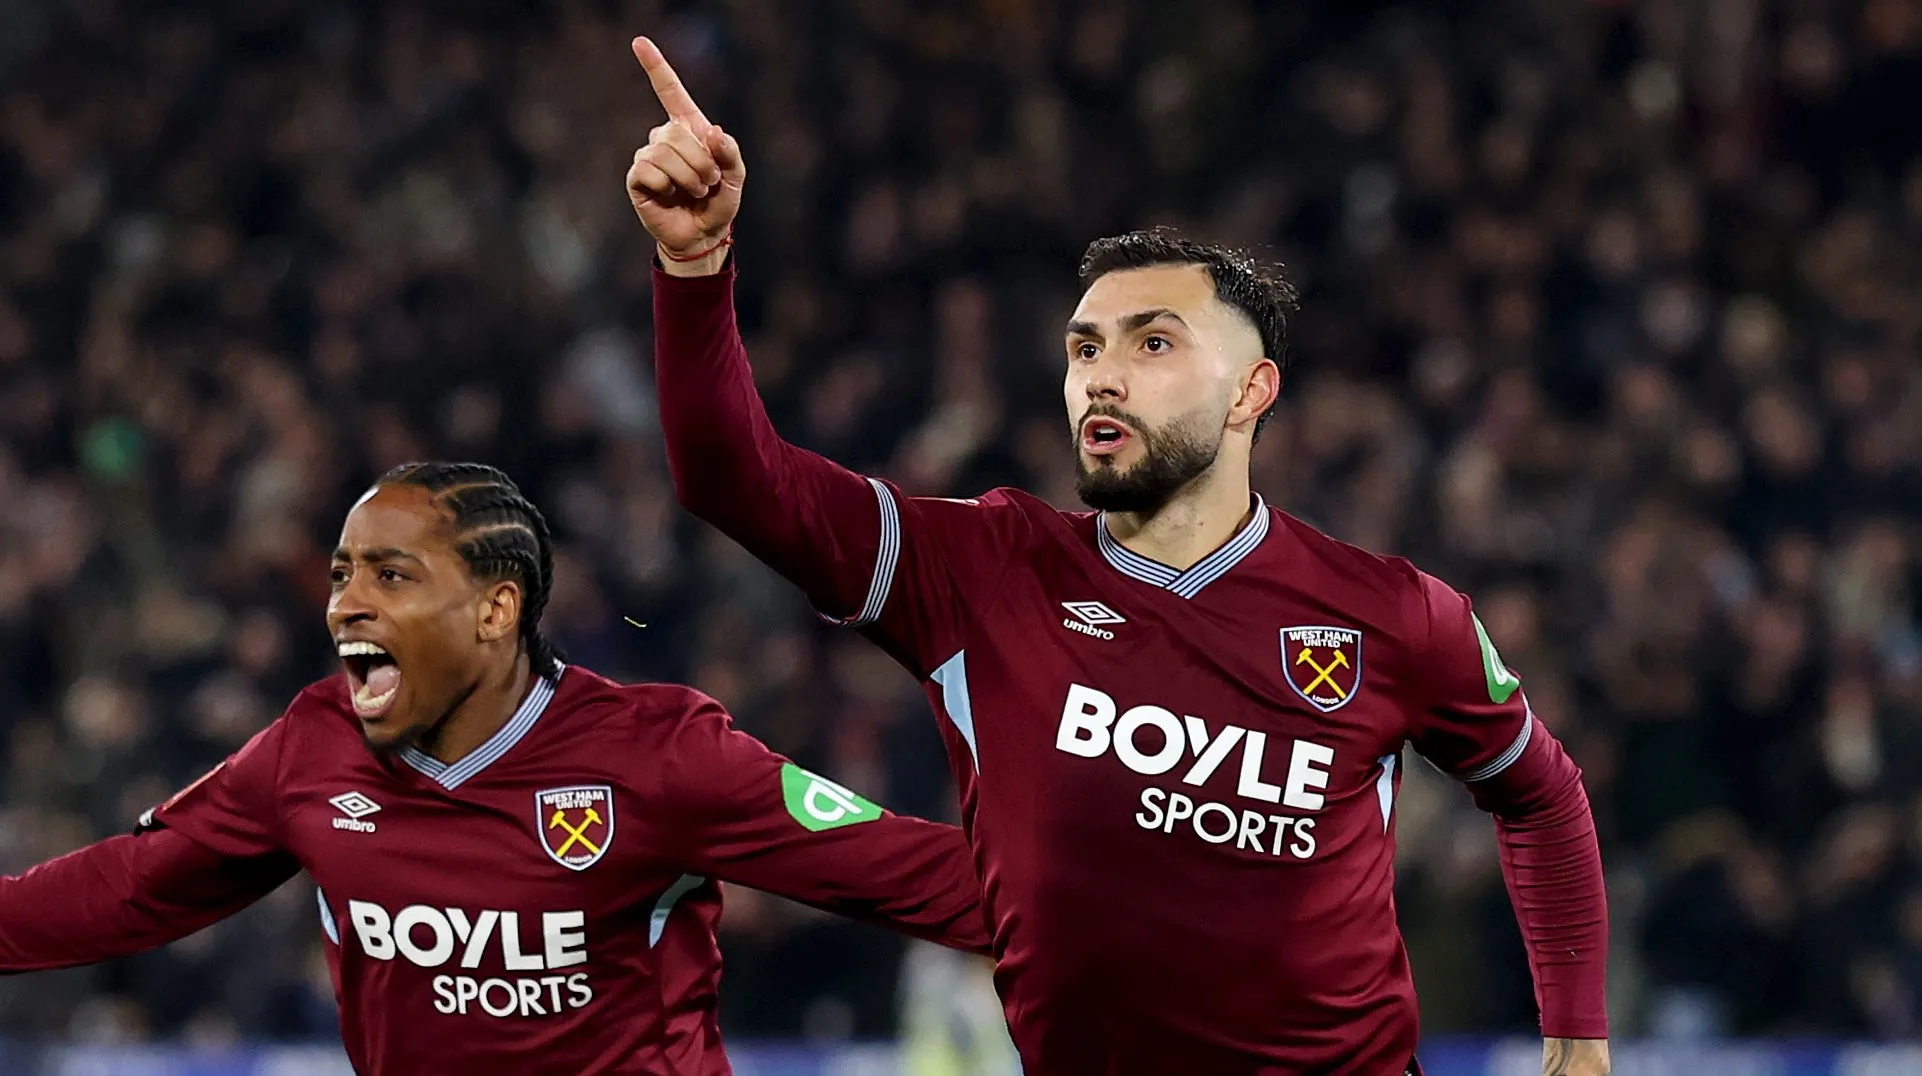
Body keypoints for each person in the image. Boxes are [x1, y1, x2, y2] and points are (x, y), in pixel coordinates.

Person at [627, 36, 1610, 1076]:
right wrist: (695, 268)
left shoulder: (1394, 615)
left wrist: (1577, 1039)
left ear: (1249, 392)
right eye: (1083, 347)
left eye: (1151, 342)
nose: (1100, 375)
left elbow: (1539, 792)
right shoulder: (980, 567)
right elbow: (734, 479)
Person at [0, 462, 990, 1075]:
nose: (346, 602)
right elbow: (128, 886)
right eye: (344, 573)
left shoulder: (657, 756)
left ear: (495, 609)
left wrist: (1133, 902)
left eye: (390, 575)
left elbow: (920, 874)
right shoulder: (313, 747)